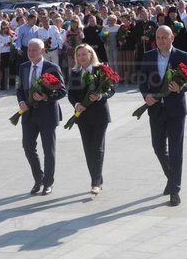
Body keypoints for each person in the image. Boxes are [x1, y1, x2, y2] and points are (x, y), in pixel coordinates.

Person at [138, 26, 187, 206]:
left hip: (175, 109)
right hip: (155, 109)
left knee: (176, 150)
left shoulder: (181, 56)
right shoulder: (148, 56)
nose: (160, 40)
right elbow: (142, 81)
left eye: (164, 37)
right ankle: (171, 178)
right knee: (158, 147)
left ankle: (175, 190)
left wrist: (181, 87)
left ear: (172, 38)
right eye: (158, 37)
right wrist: (146, 95)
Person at [16, 38, 67, 196]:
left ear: (43, 51)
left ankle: (48, 183)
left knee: (48, 150)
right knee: (28, 147)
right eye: (29, 50)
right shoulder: (23, 67)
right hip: (29, 115)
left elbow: (62, 91)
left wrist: (45, 97)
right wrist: (22, 101)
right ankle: (38, 178)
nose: (31, 53)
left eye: (35, 50)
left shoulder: (52, 67)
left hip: (47, 115)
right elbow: (19, 89)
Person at [67, 44, 115, 195]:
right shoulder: (75, 72)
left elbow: (111, 89)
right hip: (83, 116)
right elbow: (71, 94)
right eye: (78, 55)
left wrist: (100, 96)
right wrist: (77, 104)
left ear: (90, 54)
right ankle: (97, 179)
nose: (81, 57)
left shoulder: (100, 69)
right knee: (88, 149)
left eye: (84, 54)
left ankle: (95, 183)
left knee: (98, 148)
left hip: (100, 115)